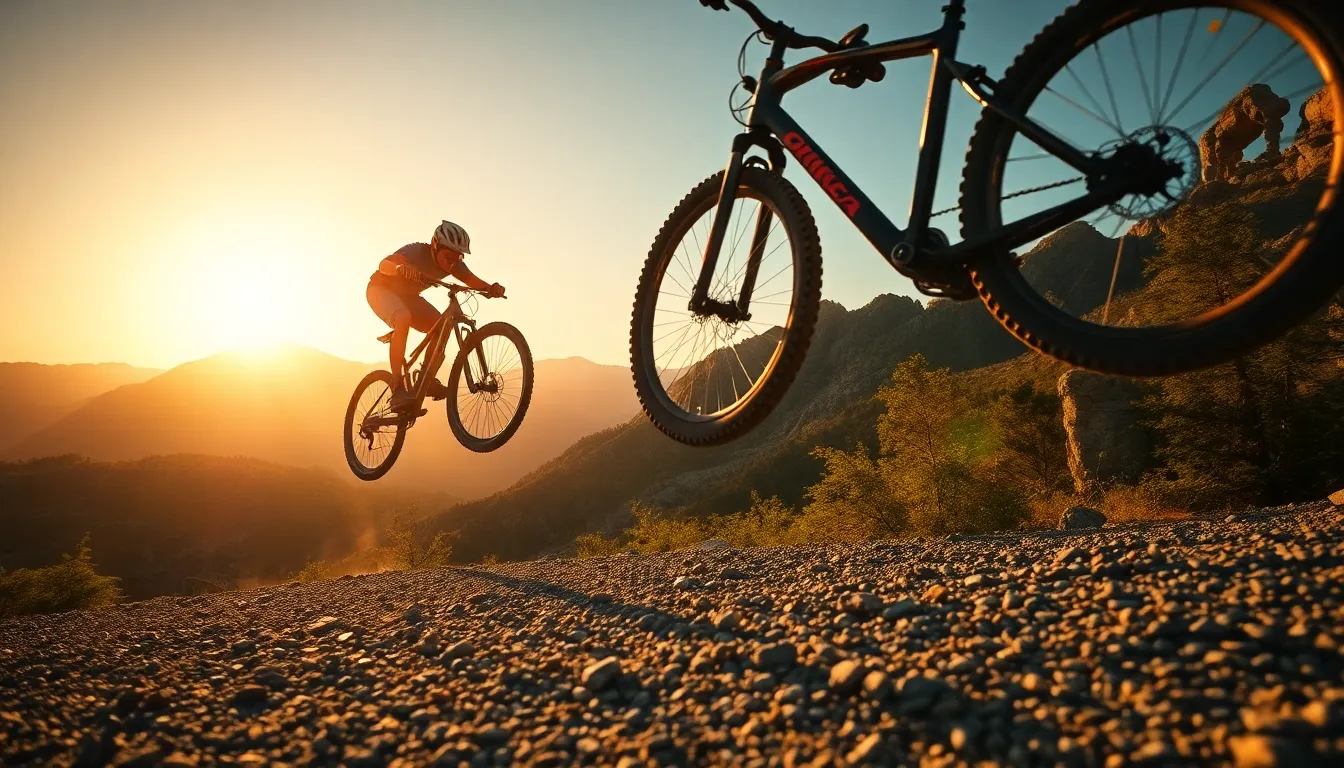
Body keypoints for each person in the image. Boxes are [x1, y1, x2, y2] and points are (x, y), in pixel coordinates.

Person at [367, 220, 505, 410]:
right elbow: (384, 265)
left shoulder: (454, 265)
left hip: (408, 297)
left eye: (458, 258)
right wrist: (399, 269)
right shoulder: (416, 252)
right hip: (380, 290)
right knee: (403, 317)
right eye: (448, 257)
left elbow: (472, 280)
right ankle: (397, 388)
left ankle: (426, 378)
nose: (452, 264)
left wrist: (491, 289)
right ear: (435, 245)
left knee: (441, 326)